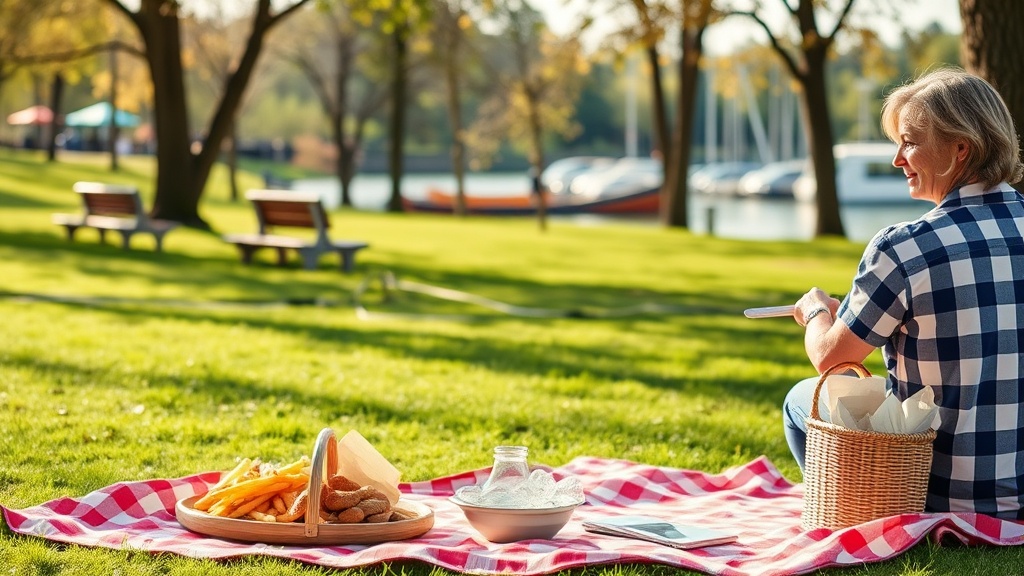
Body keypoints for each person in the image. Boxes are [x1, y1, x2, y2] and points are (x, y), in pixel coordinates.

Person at [782, 67, 1024, 519]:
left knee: (801, 397)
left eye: (910, 141)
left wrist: (817, 310)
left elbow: (832, 360)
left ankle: (846, 512)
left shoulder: (905, 246)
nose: (897, 158)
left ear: (960, 148)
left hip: (937, 496)